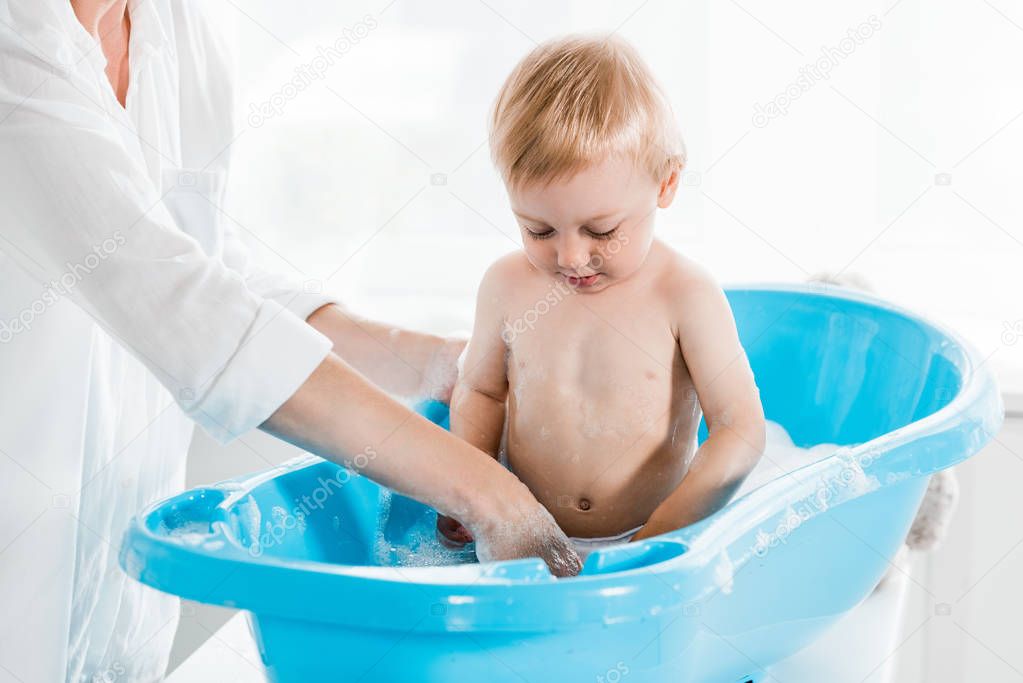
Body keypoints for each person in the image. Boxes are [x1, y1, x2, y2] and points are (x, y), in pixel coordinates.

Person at [0, 2, 580, 681]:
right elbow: (189, 315)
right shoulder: (18, 51)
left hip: (116, 629)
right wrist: (490, 495)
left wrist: (445, 364)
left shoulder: (179, 26)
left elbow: (208, 264)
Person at [436, 36, 767, 561]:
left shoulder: (683, 295)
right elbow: (480, 391)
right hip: (525, 541)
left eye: (601, 229)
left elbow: (740, 430)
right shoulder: (505, 286)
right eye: (539, 230)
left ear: (666, 185)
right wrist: (470, 492)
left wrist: (660, 537)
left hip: (651, 537)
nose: (569, 257)